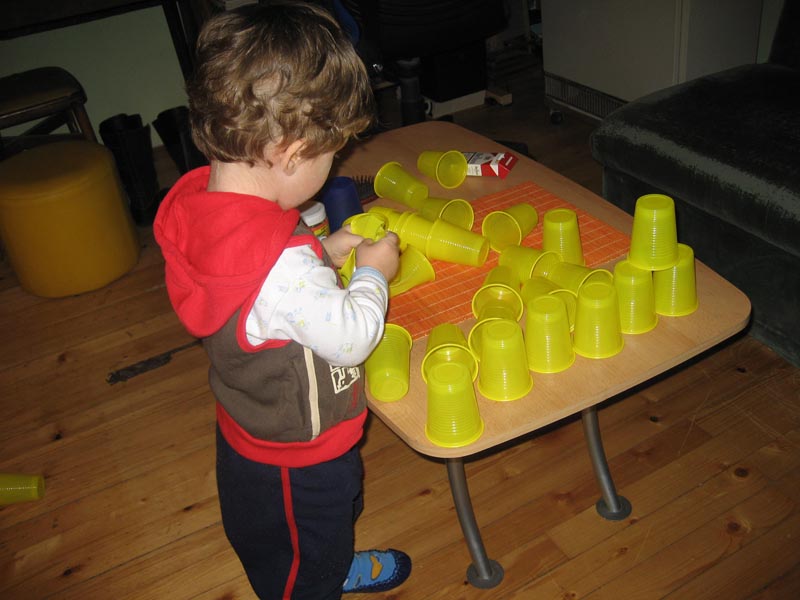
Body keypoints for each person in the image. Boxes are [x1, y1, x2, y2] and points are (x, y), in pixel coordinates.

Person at [153, 2, 410, 598]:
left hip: (254, 427)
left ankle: (325, 562)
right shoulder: (282, 268)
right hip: (301, 455)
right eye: (332, 153)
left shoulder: (206, 203)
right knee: (304, 551)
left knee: (301, 536)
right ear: (292, 153)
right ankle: (318, 578)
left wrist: (324, 251)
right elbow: (351, 336)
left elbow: (264, 281)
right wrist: (373, 274)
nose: (335, 162)